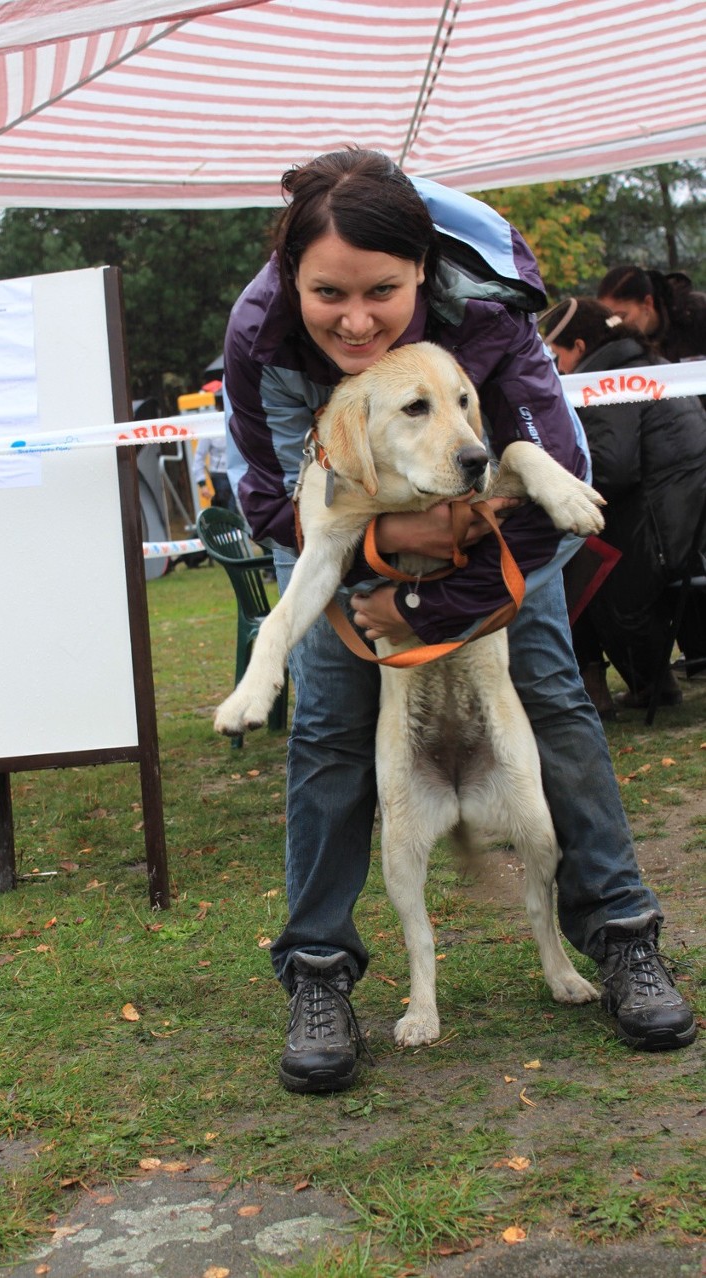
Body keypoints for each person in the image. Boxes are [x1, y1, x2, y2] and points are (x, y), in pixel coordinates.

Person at [223, 148, 696, 1094]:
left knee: (556, 696)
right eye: (329, 294)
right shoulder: (263, 336)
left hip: (506, 529)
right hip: (340, 525)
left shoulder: (494, 313)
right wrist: (385, 552)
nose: (354, 319)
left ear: (423, 277)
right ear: (292, 281)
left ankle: (623, 936)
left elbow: (557, 479)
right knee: (326, 724)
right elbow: (279, 506)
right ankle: (317, 972)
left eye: (382, 292)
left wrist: (426, 599)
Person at [542, 297, 706, 713]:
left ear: (578, 347)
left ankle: (606, 684)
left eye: (555, 357)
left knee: (564, 567)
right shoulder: (647, 364)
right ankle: (638, 681)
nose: (554, 369)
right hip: (685, 526)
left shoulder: (605, 382)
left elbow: (611, 469)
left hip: (660, 535)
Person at [597, 265, 706, 365]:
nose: (616, 326)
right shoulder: (612, 340)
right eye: (610, 321)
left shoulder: (698, 314)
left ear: (648, 303)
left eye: (621, 317)